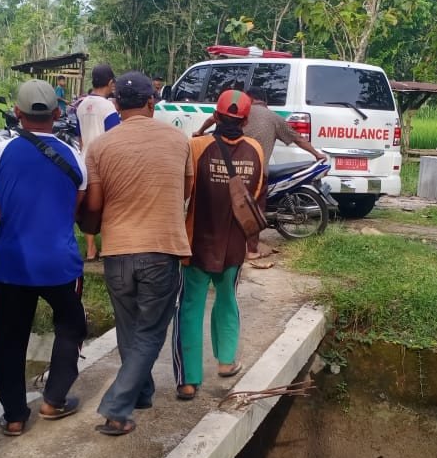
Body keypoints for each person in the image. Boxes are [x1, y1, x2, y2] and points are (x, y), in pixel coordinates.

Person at [81, 71, 193, 436]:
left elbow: (94, 204)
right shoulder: (178, 140)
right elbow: (186, 188)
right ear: (151, 102)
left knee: (130, 329)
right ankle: (117, 406)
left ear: (117, 104)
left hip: (118, 252)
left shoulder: (99, 147)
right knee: (149, 332)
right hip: (161, 249)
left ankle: (142, 392)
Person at [0, 79, 88, 436]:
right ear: (58, 114)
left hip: (14, 263)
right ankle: (53, 400)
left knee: (8, 339)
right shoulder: (76, 156)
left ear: (17, 113)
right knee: (71, 327)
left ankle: (14, 416)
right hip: (60, 263)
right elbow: (74, 209)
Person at [172, 90, 265, 398]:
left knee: (190, 308)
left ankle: (188, 380)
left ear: (216, 114)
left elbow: (184, 191)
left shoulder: (197, 146)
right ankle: (226, 362)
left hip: (197, 244)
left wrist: (202, 128)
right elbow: (259, 197)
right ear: (247, 120)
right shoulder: (256, 150)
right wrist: (253, 244)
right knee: (227, 301)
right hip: (234, 247)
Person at [194, 86, 326, 257]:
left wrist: (200, 131)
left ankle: (218, 244)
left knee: (219, 206)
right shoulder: (275, 118)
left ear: (248, 98)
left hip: (226, 170)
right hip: (256, 174)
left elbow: (213, 118)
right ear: (265, 101)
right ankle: (251, 249)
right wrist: (316, 154)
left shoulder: (239, 112)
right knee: (255, 210)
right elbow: (298, 138)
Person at [76, 64, 121, 261]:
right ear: (110, 83)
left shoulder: (81, 104)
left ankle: (91, 248)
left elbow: (80, 138)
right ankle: (108, 245)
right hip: (104, 162)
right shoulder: (108, 107)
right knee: (107, 205)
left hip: (85, 160)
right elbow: (114, 138)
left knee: (88, 206)